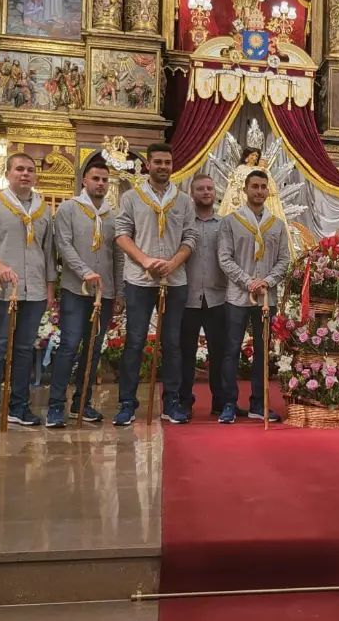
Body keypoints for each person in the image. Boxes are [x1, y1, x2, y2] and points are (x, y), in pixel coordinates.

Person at [0, 153, 55, 430]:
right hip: (1, 288)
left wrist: (50, 287)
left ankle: (19, 405)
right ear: (8, 173)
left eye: (30, 170)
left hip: (35, 290)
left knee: (25, 349)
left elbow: (49, 252)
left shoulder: (44, 209)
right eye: (19, 169)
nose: (25, 174)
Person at [114, 143, 196, 426]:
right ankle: (127, 402)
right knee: (135, 341)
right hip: (140, 279)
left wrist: (173, 263)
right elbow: (122, 234)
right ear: (148, 164)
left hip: (174, 280)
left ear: (173, 166)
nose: (163, 166)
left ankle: (171, 401)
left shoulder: (184, 201)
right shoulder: (131, 197)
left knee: (172, 343)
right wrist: (145, 260)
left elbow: (190, 238)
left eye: (168, 162)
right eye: (158, 162)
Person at [45, 157, 126, 428]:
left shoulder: (112, 217)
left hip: (104, 294)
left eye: (105, 180)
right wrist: (84, 272)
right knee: (69, 346)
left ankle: (83, 401)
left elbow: (118, 257)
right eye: (96, 179)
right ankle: (56, 405)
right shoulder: (68, 209)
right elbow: (63, 246)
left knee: (93, 349)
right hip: (75, 290)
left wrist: (119, 292)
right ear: (84, 181)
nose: (101, 184)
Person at [217, 169, 291, 424]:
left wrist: (267, 282)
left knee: (263, 350)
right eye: (254, 186)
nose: (259, 191)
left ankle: (259, 403)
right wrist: (248, 281)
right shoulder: (230, 222)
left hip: (265, 299)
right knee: (231, 350)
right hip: (237, 296)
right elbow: (224, 259)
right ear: (245, 190)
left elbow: (284, 260)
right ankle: (228, 402)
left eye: (263, 186)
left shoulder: (277, 225)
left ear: (268, 190)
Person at [179, 174, 228, 419]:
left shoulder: (225, 224)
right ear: (192, 193)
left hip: (217, 297)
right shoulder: (184, 224)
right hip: (187, 297)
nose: (206, 192)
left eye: (210, 188)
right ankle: (184, 403)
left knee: (219, 353)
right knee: (185, 353)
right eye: (201, 189)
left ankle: (220, 402)